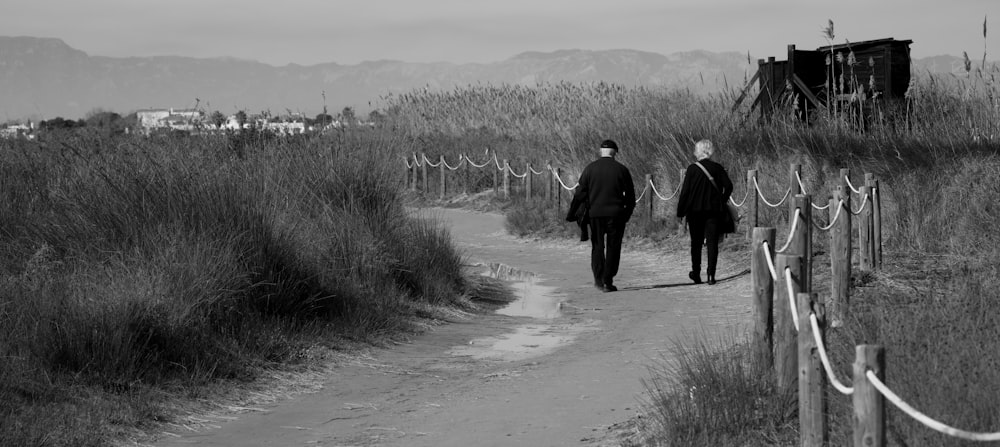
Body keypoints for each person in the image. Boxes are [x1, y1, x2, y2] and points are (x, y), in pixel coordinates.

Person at [569, 139, 636, 292]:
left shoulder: (590, 169)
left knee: (597, 246)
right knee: (614, 246)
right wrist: (626, 213)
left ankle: (598, 279)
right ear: (615, 152)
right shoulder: (622, 170)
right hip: (616, 214)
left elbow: (580, 193)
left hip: (595, 214)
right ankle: (608, 279)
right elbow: (631, 196)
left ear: (600, 151)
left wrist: (573, 212)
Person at [676, 139, 733, 285]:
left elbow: (685, 192)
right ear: (710, 151)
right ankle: (711, 275)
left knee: (696, 243)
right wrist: (722, 200)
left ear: (698, 152)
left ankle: (696, 273)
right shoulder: (718, 168)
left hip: (694, 212)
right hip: (714, 211)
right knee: (712, 243)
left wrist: (680, 212)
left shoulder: (692, 169)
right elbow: (729, 186)